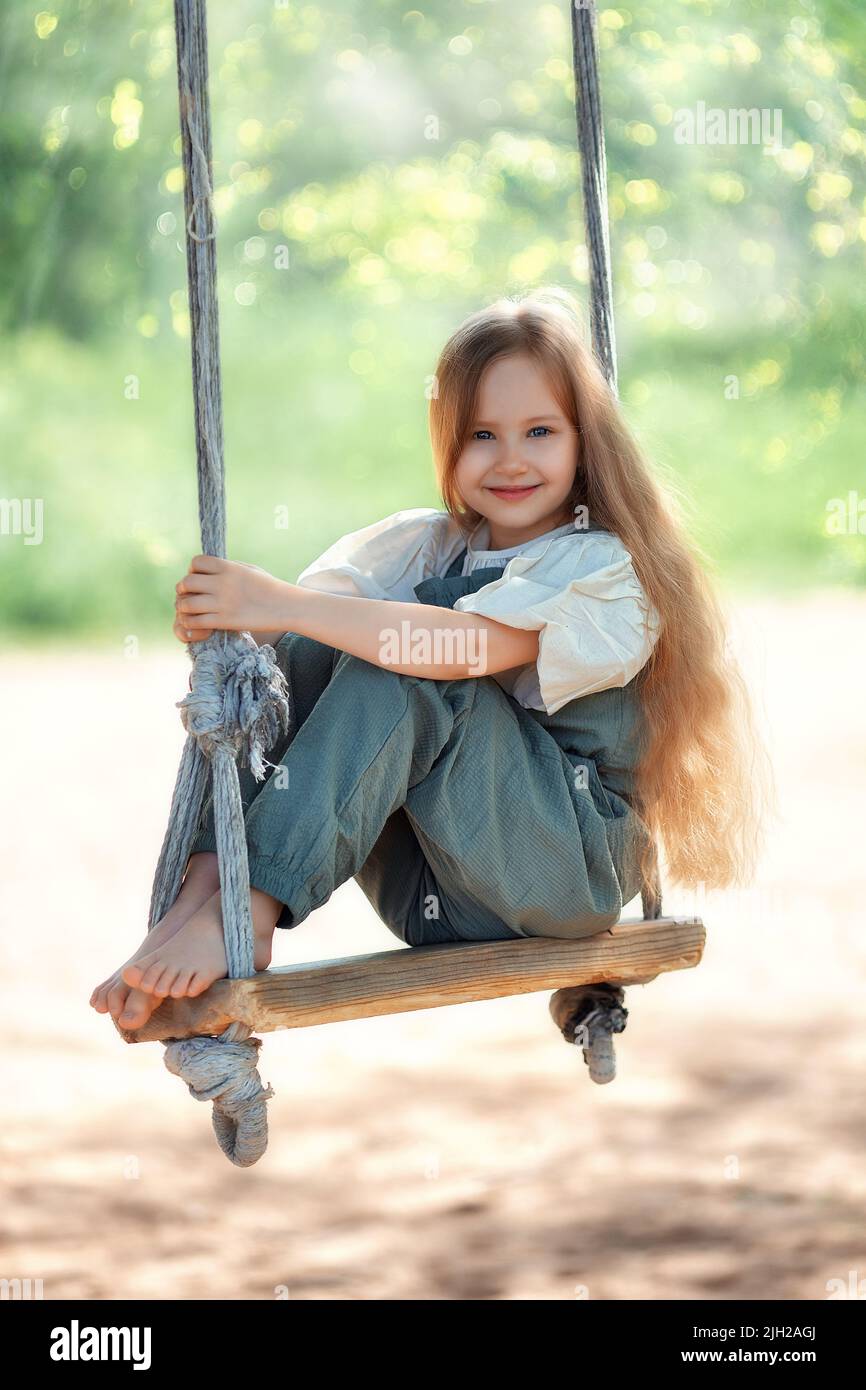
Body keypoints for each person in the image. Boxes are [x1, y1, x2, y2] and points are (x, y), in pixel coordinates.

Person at [90, 286, 769, 1031]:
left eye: (540, 431)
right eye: (482, 435)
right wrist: (238, 629)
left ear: (585, 442)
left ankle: (251, 909)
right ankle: (212, 889)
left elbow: (462, 650)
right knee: (318, 647)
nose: (510, 459)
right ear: (449, 441)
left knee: (415, 657)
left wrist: (280, 601)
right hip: (431, 891)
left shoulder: (600, 570)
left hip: (565, 872)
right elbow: (300, 649)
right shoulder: (428, 544)